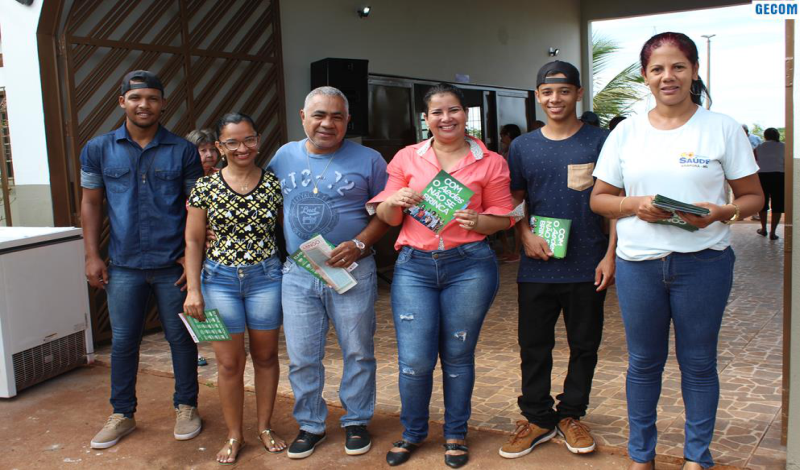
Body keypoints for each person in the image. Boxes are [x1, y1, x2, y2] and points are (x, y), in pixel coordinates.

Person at [589, 33, 763, 470]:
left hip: (704, 264)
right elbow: (599, 198)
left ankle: (696, 458)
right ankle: (640, 456)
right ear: (646, 77)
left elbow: (753, 197)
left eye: (678, 66)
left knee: (700, 363)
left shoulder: (722, 127)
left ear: (695, 71)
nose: (669, 76)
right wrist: (635, 205)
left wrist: (722, 211)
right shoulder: (626, 132)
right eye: (658, 69)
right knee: (644, 364)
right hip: (639, 266)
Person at [372, 83, 515, 468]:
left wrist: (479, 220)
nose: (446, 118)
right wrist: (393, 201)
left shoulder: (489, 161)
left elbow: (502, 219)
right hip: (415, 267)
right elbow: (385, 218)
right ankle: (413, 432)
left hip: (469, 265)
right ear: (426, 118)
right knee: (415, 361)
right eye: (437, 112)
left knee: (457, 355)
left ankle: (455, 433)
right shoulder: (406, 158)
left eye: (453, 110)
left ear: (464, 113)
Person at [499, 60, 616, 460]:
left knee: (585, 344)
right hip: (537, 264)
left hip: (588, 263)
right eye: (547, 92)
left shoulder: (600, 141)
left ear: (578, 94)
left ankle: (571, 415)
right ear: (537, 96)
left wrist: (611, 255)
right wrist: (524, 234)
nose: (555, 98)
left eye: (564, 91)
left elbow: (615, 203)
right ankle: (536, 418)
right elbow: (514, 201)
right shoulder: (522, 146)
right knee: (534, 345)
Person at [80, 70, 204, 449]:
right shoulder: (99, 149)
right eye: (135, 98)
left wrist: (190, 256)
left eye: (151, 98)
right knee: (123, 342)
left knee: (182, 340)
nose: (143, 105)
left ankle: (186, 407)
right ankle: (122, 414)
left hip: (172, 267)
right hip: (123, 267)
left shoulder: (182, 150)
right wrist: (91, 255)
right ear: (122, 103)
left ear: (163, 103)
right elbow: (90, 202)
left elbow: (195, 208)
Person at [266, 86, 389, 460]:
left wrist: (361, 244)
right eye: (319, 115)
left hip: (352, 270)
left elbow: (386, 214)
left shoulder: (370, 160)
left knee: (358, 351)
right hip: (299, 273)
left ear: (348, 120)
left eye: (337, 116)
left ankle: (355, 420)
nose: (327, 123)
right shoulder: (283, 156)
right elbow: (260, 201)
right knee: (302, 355)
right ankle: (311, 424)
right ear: (302, 117)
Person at [184, 113, 286, 463]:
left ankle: (265, 426)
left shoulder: (274, 183)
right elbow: (194, 241)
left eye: (249, 139)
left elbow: (286, 232)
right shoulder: (204, 187)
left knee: (266, 357)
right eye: (232, 142)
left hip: (266, 279)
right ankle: (234, 434)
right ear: (219, 146)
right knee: (229, 363)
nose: (242, 148)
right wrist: (193, 290)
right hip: (219, 281)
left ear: (258, 139)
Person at [498, 124, 523, 263]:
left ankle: (515, 251)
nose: (501, 139)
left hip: (513, 189)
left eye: (502, 136)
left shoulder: (515, 149)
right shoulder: (506, 150)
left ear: (508, 135)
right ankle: (510, 250)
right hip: (505, 189)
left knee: (517, 217)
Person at [755, 128, 785, 240]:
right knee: (777, 204)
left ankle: (763, 229)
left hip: (762, 177)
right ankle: (773, 232)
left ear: (765, 136)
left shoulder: (758, 147)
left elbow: (754, 162)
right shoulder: (784, 146)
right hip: (779, 176)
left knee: (763, 203)